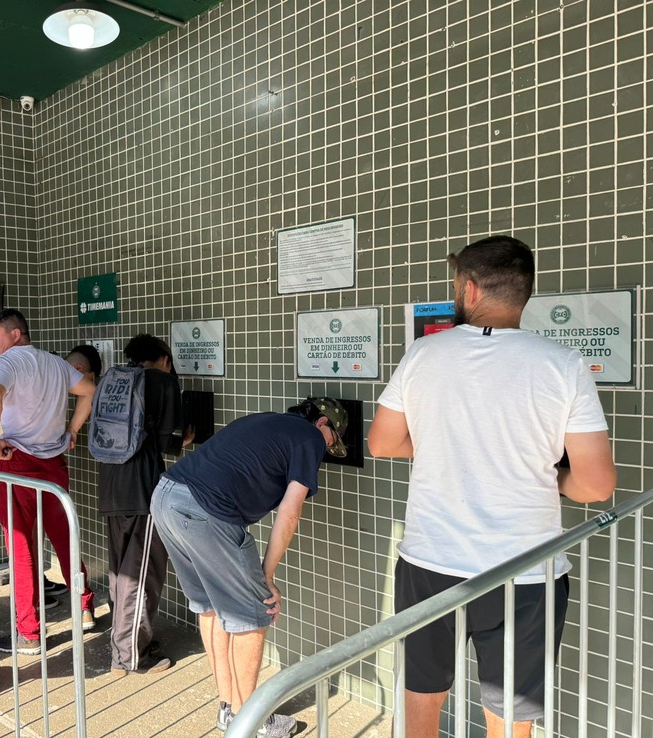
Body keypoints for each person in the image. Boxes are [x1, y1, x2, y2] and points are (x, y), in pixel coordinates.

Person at [367, 235, 616, 738]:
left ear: (471, 289)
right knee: (510, 714)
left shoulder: (424, 353)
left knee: (419, 695)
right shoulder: (563, 364)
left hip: (429, 562)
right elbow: (595, 486)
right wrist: (545, 471)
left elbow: (382, 443)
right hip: (525, 569)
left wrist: (445, 447)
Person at [151, 398, 349, 737]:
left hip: (166, 496)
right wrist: (266, 576)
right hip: (205, 511)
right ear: (322, 423)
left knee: (210, 607)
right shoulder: (309, 438)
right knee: (255, 613)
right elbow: (290, 512)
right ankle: (251, 723)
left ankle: (229, 710)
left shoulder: (265, 420)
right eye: (333, 440)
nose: (328, 450)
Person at [0, 309, 98, 654]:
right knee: (65, 539)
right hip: (54, 464)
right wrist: (72, 430)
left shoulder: (5, 363)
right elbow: (89, 391)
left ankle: (29, 632)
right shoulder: (56, 363)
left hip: (16, 463)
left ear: (15, 334)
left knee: (21, 547)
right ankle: (85, 607)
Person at [99, 334, 188, 676]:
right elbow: (169, 441)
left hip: (110, 484)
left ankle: (123, 644)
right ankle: (131, 655)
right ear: (164, 359)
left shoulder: (115, 379)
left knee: (121, 571)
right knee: (141, 574)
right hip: (142, 488)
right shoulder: (162, 382)